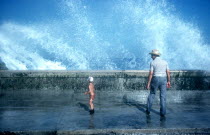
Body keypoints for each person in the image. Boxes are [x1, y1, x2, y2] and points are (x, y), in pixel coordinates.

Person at [146, 49, 170, 117]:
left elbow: (151, 73)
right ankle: (163, 113)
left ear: (154, 55)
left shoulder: (152, 62)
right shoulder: (165, 62)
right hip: (163, 79)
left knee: (152, 94)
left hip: (155, 78)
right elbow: (168, 72)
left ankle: (148, 110)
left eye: (151, 55)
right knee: (163, 96)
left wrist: (148, 83)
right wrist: (168, 81)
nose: (151, 56)